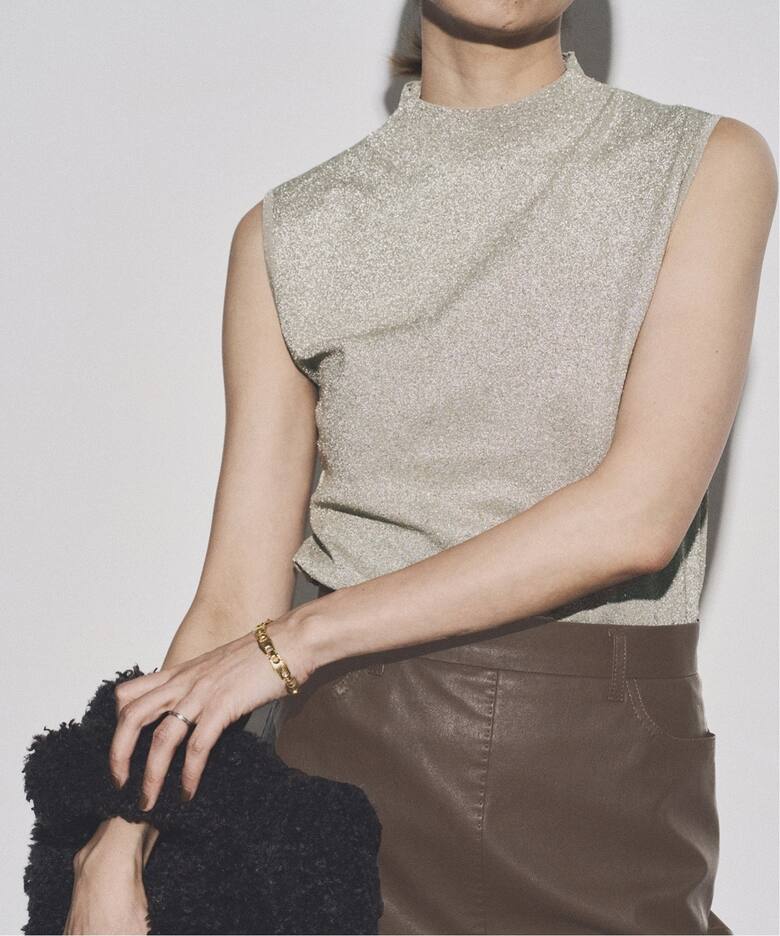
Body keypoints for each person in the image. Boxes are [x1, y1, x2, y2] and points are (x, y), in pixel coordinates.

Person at [63, 1, 777, 934]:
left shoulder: (701, 163)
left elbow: (638, 516)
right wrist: (121, 838)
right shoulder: (289, 231)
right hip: (341, 800)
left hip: (595, 798)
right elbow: (234, 598)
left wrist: (300, 641)